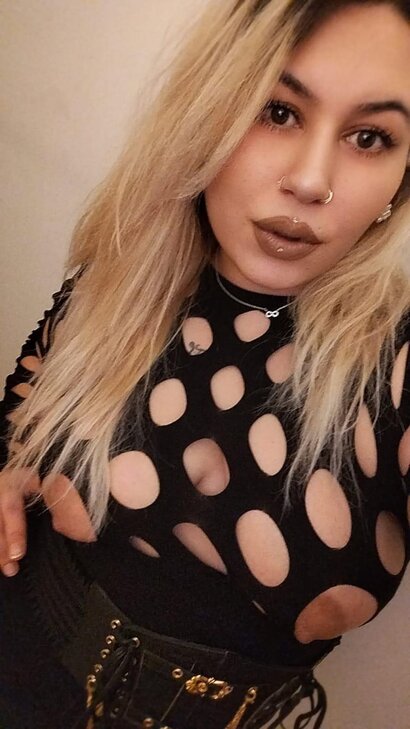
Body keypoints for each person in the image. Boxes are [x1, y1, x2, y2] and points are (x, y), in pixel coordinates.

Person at [0, 0, 409, 727]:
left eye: (369, 137)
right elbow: (18, 411)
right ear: (207, 115)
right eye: (277, 112)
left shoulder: (395, 359)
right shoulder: (117, 281)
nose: (311, 180)